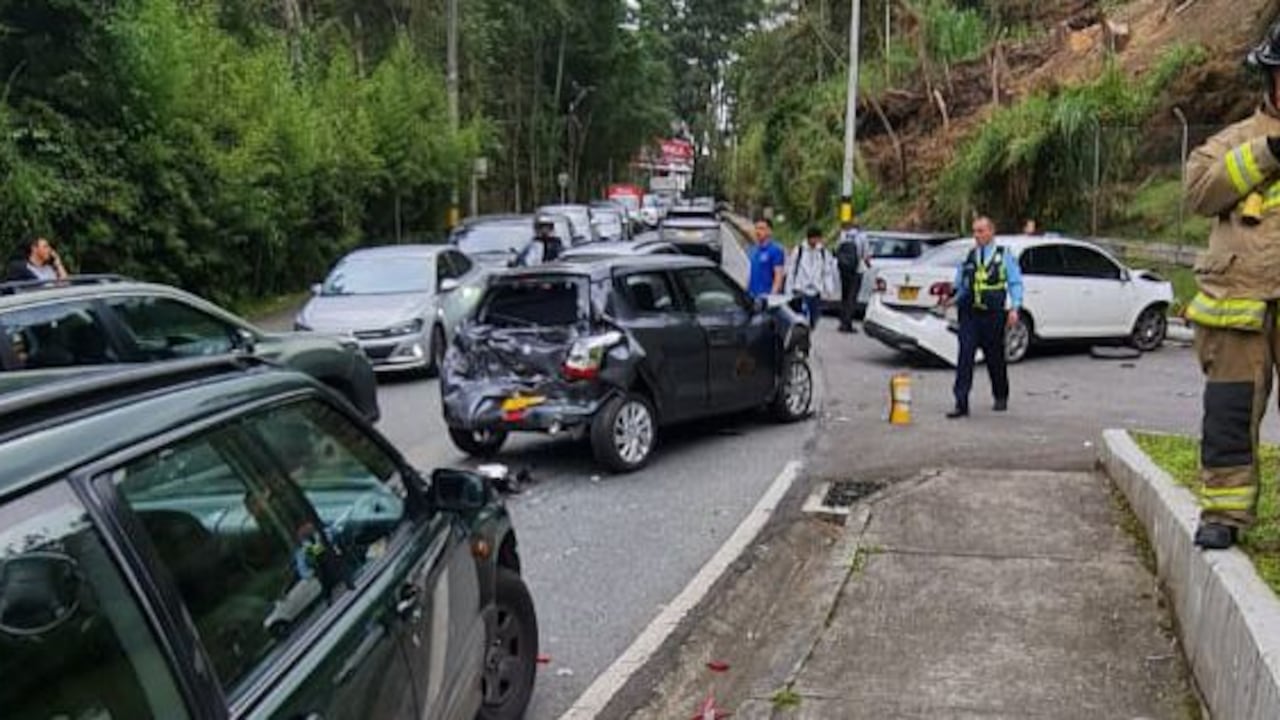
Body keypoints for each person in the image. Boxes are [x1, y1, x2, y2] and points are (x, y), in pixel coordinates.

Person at [1181, 19, 1280, 550]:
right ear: (1270, 79)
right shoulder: (1230, 144)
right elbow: (1200, 193)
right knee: (1230, 414)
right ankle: (1225, 514)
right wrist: (1269, 153)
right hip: (1238, 308)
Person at [945, 216, 1023, 419]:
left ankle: (1000, 395)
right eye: (974, 231)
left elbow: (1015, 283)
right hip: (969, 313)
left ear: (991, 232)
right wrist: (952, 299)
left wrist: (1015, 308)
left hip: (993, 314)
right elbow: (961, 284)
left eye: (980, 231)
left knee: (994, 357)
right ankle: (961, 403)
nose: (976, 236)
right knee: (965, 357)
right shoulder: (970, 256)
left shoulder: (1004, 255)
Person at [786, 226, 841, 328]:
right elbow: (791, 271)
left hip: (816, 290)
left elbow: (826, 272)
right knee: (801, 319)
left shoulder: (823, 252)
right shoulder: (799, 251)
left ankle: (808, 333)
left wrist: (829, 290)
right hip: (800, 290)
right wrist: (788, 290)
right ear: (809, 238)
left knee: (814, 319)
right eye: (814, 238)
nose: (816, 241)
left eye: (818, 238)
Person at [835, 220, 868, 333]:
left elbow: (837, 250)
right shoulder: (862, 237)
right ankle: (847, 324)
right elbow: (865, 255)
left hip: (844, 270)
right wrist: (868, 265)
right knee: (852, 297)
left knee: (844, 296)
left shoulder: (843, 235)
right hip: (856, 270)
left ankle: (842, 321)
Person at [747, 217, 786, 299]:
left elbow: (778, 277)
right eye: (756, 228)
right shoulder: (753, 250)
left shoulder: (776, 250)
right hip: (752, 296)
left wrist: (772, 297)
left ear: (769, 231)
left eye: (762, 228)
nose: (758, 231)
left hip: (766, 297)